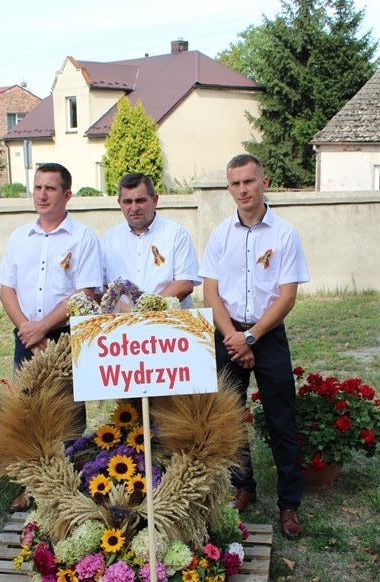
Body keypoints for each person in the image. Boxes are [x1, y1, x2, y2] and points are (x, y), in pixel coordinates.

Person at [199, 154, 310, 539]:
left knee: (281, 419)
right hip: (227, 333)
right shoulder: (220, 235)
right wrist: (233, 335)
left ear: (264, 182)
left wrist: (251, 337)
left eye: (249, 181)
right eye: (236, 183)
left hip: (268, 335)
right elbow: (210, 292)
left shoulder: (284, 234)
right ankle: (243, 485)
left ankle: (289, 503)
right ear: (229, 188)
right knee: (228, 417)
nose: (243, 189)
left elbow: (287, 296)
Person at [0, 162, 102, 510]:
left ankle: (69, 488)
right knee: (27, 413)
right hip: (26, 336)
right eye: (38, 187)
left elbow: (86, 292)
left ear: (67, 195)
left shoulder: (82, 238)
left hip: (65, 337)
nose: (42, 195)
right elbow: (7, 290)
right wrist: (28, 329)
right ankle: (31, 487)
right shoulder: (19, 237)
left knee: (68, 414)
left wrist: (44, 328)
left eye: (50, 188)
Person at [100, 172, 199, 306]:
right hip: (122, 318)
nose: (134, 208)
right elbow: (101, 288)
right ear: (119, 203)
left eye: (140, 200)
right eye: (127, 202)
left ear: (155, 200)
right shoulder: (108, 240)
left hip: (169, 318)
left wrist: (146, 310)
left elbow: (185, 284)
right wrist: (126, 312)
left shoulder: (177, 234)